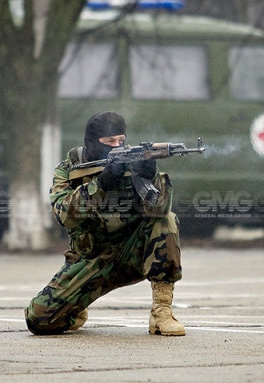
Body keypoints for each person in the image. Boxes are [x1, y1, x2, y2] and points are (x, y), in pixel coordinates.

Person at [25, 112, 185, 336]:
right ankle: (77, 307)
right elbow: (63, 215)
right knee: (39, 320)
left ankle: (162, 313)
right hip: (91, 259)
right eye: (109, 142)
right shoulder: (68, 169)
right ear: (91, 142)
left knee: (167, 220)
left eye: (121, 140)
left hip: (133, 252)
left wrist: (151, 177)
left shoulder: (134, 163)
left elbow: (160, 209)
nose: (116, 146)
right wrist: (102, 185)